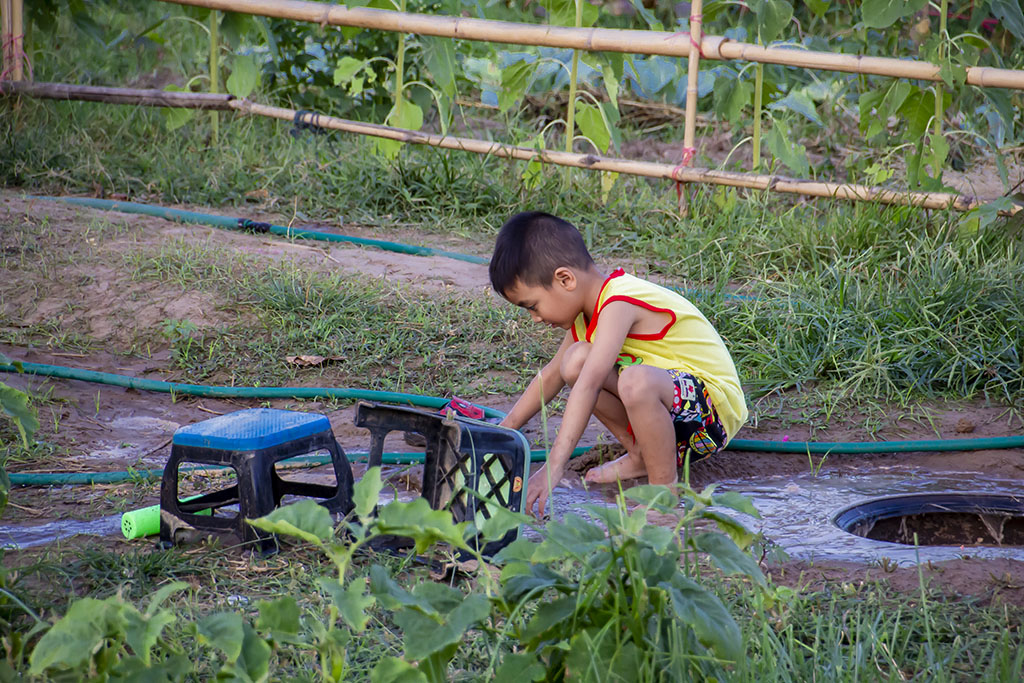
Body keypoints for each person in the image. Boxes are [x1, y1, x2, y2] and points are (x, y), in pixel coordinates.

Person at [489, 211, 747, 517]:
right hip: (673, 415)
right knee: (574, 362)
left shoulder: (619, 300)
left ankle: (664, 492)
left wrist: (553, 466)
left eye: (532, 306)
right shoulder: (586, 320)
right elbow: (551, 377)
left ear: (565, 279)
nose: (535, 318)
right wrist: (501, 433)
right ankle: (640, 454)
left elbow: (591, 384)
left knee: (633, 380)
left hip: (711, 414)